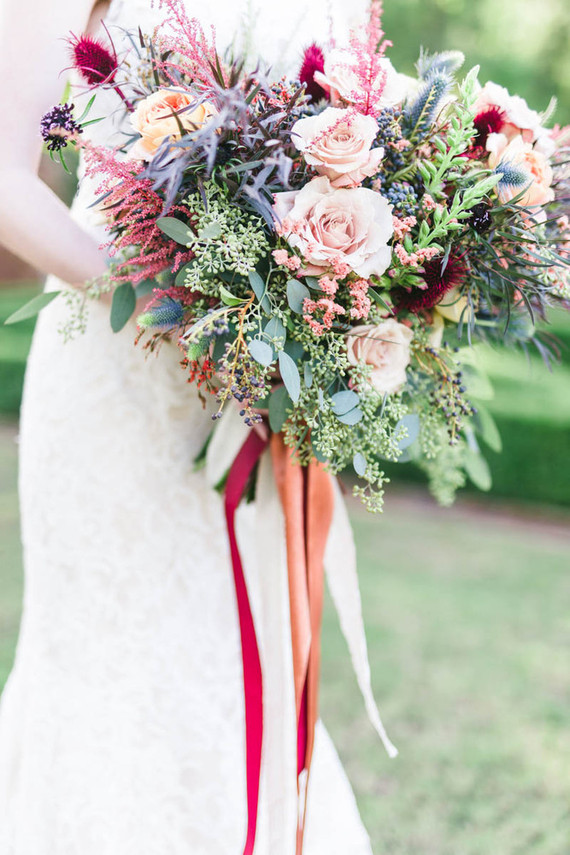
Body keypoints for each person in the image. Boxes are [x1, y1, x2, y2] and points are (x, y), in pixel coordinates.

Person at [0, 0, 384, 851]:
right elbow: (2, 180)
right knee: (118, 660)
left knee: (239, 660)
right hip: (117, 375)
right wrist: (176, 304)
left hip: (257, 393)